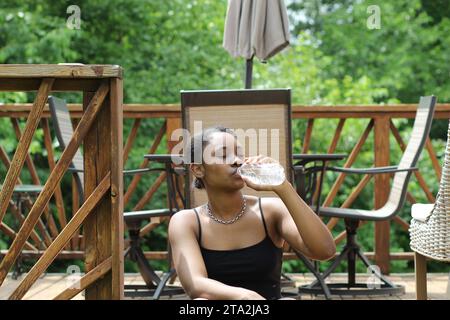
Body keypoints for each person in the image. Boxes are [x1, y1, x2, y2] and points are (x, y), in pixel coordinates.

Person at [169, 126, 336, 300]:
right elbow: (195, 285)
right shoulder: (186, 222)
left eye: (239, 154)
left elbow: (324, 251)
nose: (237, 161)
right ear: (197, 169)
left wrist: (283, 186)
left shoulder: (271, 211)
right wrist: (245, 297)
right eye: (224, 155)